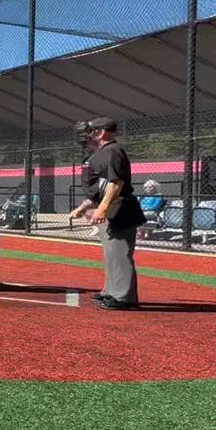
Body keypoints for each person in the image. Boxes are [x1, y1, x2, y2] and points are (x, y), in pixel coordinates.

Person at [69, 117, 145, 311]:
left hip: (119, 209)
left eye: (90, 132)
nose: (86, 136)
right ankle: (111, 291)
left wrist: (102, 209)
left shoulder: (112, 151)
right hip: (111, 208)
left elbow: (116, 183)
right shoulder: (102, 153)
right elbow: (100, 187)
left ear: (101, 132)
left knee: (119, 254)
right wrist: (85, 207)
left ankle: (124, 298)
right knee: (111, 254)